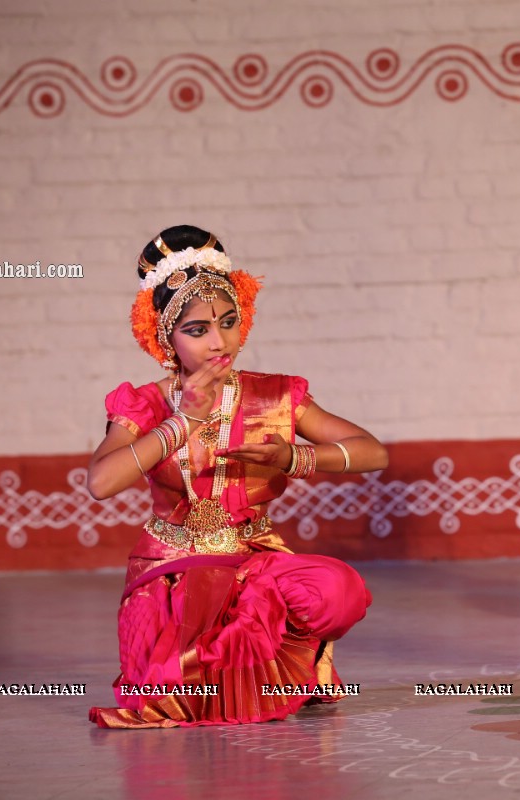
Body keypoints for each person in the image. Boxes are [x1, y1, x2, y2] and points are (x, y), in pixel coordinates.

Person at [86, 225, 386, 728]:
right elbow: (100, 483)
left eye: (230, 322)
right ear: (165, 335)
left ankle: (261, 672)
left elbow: (371, 451)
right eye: (198, 330)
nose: (221, 343)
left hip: (252, 560)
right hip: (171, 571)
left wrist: (294, 459)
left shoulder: (273, 395)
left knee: (338, 591)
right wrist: (184, 422)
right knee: (174, 670)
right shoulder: (145, 404)